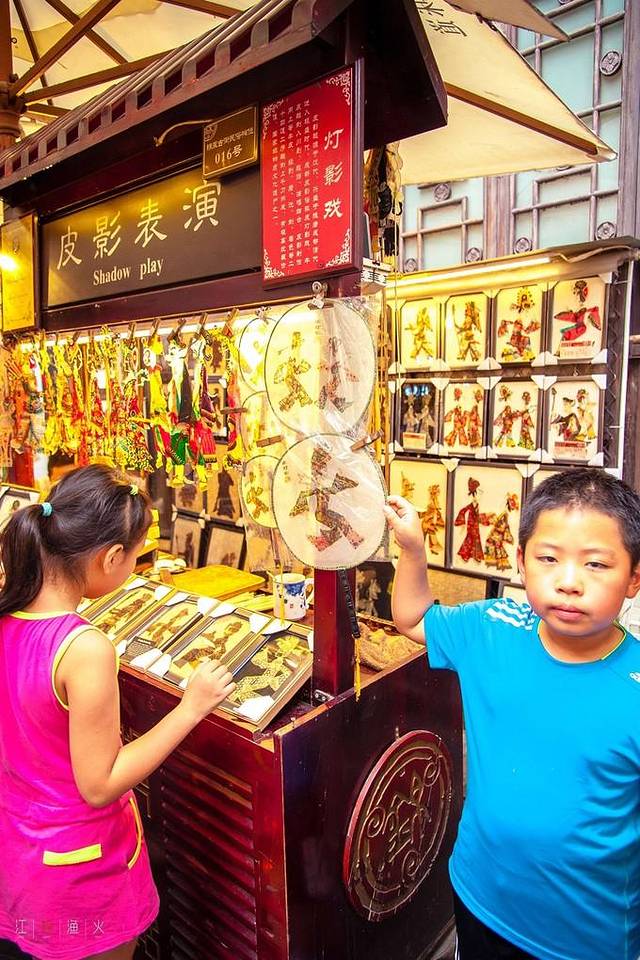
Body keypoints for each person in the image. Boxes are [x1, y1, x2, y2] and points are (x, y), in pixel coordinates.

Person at [384, 468, 640, 960]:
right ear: (521, 562)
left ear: (633, 579)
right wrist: (413, 550)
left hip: (584, 937)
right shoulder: (492, 628)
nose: (569, 582)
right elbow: (414, 619)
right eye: (548, 558)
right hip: (477, 896)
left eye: (595, 564)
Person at [0, 464, 235, 960]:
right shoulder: (82, 648)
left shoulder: (10, 615)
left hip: (21, 854)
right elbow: (100, 783)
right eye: (136, 555)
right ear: (110, 557)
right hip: (77, 871)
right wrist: (190, 708)